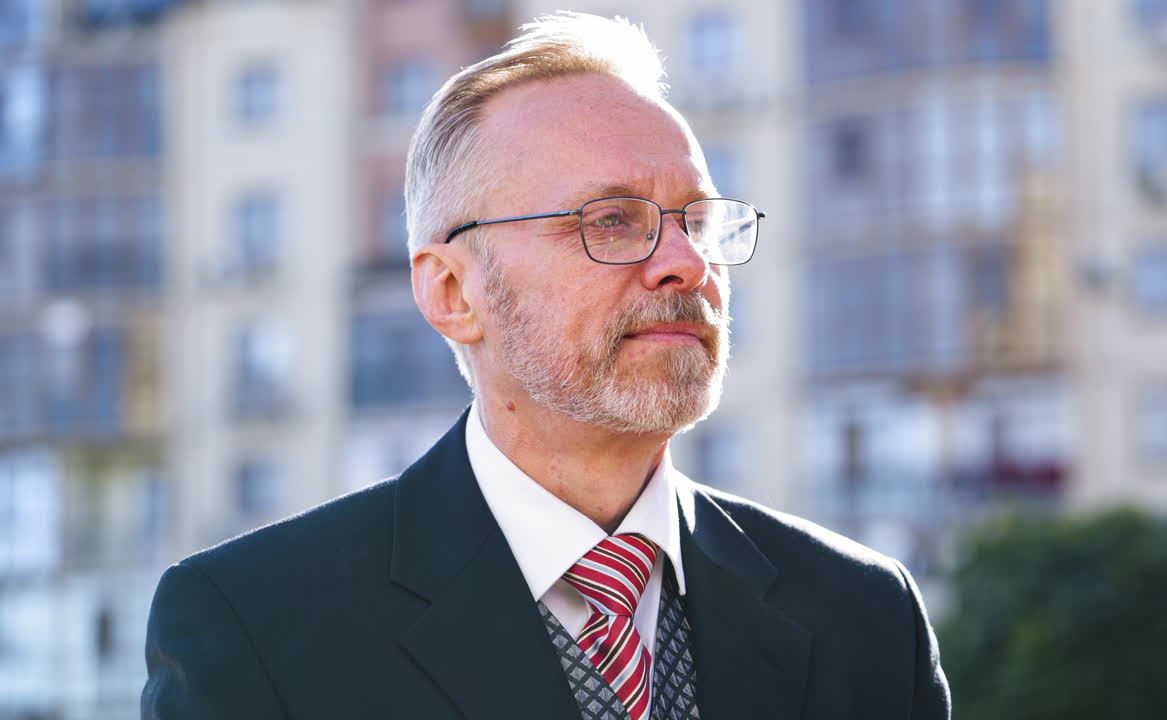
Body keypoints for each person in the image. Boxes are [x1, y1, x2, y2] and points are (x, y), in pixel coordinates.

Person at [142, 12, 950, 720]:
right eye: (611, 220)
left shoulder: (866, 617)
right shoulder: (256, 626)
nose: (687, 265)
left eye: (697, 223)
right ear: (453, 290)